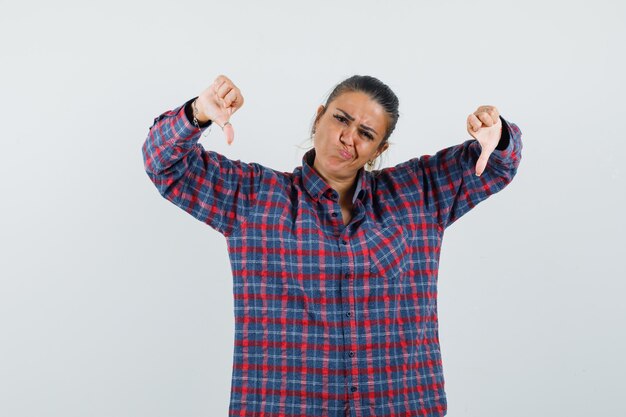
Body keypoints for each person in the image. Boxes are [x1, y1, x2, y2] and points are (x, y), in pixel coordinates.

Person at [141, 74, 523, 417]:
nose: (348, 138)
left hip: (403, 405)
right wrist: (197, 114)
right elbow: (165, 165)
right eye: (341, 119)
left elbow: (497, 164)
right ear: (319, 116)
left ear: (378, 149)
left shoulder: (417, 193)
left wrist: (499, 134)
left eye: (366, 134)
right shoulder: (253, 198)